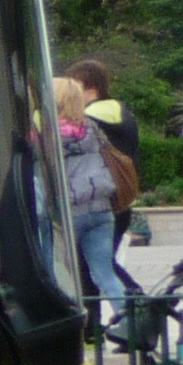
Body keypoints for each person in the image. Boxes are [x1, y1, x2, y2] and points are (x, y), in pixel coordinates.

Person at [55, 75, 129, 301]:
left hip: (69, 212)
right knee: (104, 276)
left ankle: (71, 327)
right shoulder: (92, 128)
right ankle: (128, 324)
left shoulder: (49, 134)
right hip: (101, 209)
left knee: (59, 273)